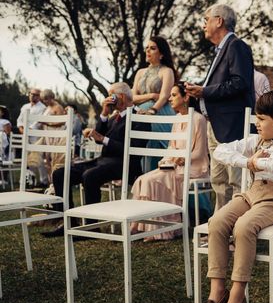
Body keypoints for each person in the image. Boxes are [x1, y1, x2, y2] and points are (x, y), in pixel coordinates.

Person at [191, 90, 273, 303]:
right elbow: (222, 151)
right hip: (251, 193)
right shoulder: (254, 141)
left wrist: (260, 163)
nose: (257, 123)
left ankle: (236, 297)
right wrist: (247, 162)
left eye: (262, 118)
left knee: (244, 226)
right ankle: (217, 291)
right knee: (218, 221)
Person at [43, 83, 145, 237]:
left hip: (124, 163)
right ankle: (68, 223)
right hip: (103, 160)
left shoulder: (140, 117)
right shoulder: (113, 118)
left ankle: (92, 227)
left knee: (89, 175)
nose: (109, 98)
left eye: (112, 95)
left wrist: (103, 139)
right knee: (59, 174)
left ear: (122, 97)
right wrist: (104, 113)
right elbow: (98, 137)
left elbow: (131, 149)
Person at [185, 4, 255, 213]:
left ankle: (236, 230)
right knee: (219, 181)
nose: (204, 25)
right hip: (215, 125)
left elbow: (239, 83)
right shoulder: (220, 51)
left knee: (235, 181)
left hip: (232, 126)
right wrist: (196, 93)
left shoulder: (236, 46)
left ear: (219, 21)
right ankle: (220, 228)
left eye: (206, 19)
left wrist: (204, 91)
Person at [130, 82, 209, 240]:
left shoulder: (198, 119)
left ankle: (164, 230)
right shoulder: (177, 118)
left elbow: (200, 153)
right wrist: (166, 160)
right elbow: (170, 147)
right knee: (143, 179)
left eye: (174, 95)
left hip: (194, 167)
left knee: (154, 181)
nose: (170, 99)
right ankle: (145, 226)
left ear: (186, 97)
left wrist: (182, 158)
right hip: (175, 166)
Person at [131, 36, 177, 171]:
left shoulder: (166, 71)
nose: (148, 51)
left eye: (152, 48)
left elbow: (164, 97)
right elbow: (132, 97)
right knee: (140, 149)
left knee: (158, 150)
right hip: (140, 115)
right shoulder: (140, 72)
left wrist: (151, 111)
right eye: (147, 48)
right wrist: (151, 95)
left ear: (161, 54)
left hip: (160, 114)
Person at [17, 88, 47, 186]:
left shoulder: (42, 108)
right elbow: (20, 120)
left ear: (39, 96)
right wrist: (22, 129)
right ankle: (31, 181)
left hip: (36, 135)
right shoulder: (24, 106)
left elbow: (39, 121)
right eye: (31, 94)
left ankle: (44, 181)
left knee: (38, 158)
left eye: (35, 94)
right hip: (25, 134)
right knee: (28, 158)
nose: (32, 96)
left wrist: (29, 129)